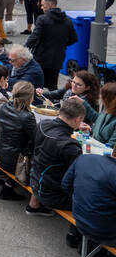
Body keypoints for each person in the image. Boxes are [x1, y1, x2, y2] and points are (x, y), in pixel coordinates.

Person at [26, 97, 86, 248]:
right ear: (78, 118)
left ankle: (33, 205)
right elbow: (80, 177)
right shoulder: (70, 146)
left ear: (60, 112)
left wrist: (74, 129)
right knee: (92, 199)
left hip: (34, 180)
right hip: (52, 195)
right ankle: (74, 235)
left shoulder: (43, 124)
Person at [62, 147, 116, 249]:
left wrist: (82, 199)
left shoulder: (85, 158)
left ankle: (74, 237)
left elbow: (65, 184)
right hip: (105, 231)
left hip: (79, 217)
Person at [0, 81, 38, 200]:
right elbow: (34, 139)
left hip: (0, 152)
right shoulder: (28, 116)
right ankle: (9, 188)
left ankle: (7, 186)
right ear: (30, 97)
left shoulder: (5, 106)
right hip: (15, 161)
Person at [25, 0, 77, 89]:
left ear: (49, 5)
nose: (41, 8)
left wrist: (24, 48)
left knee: (37, 84)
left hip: (41, 57)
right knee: (52, 85)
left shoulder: (42, 19)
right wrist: (61, 45)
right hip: (57, 58)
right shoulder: (68, 20)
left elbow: (34, 37)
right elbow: (74, 39)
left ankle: (39, 103)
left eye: (43, 5)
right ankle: (54, 103)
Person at [90, 83, 116, 147]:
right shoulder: (106, 109)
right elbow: (98, 124)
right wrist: (90, 130)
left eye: (103, 95)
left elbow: (111, 146)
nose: (100, 97)